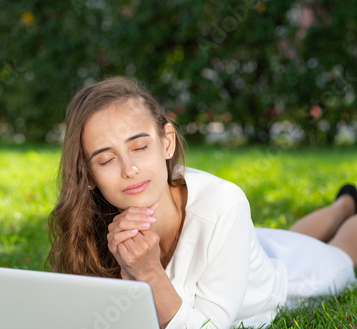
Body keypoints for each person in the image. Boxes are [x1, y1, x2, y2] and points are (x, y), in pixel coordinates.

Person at [47, 76, 357, 328]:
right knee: (287, 238)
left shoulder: (225, 204)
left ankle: (348, 206)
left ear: (166, 143)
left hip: (280, 279)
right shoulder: (96, 223)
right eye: (106, 159)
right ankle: (344, 201)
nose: (130, 169)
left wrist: (149, 273)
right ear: (87, 175)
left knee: (340, 254)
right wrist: (130, 273)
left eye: (139, 147)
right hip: (246, 241)